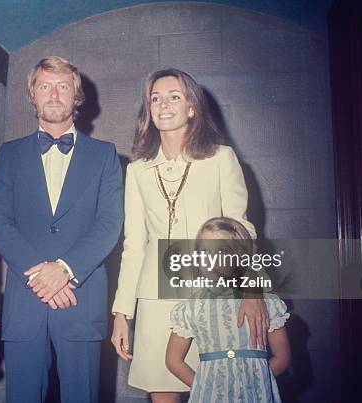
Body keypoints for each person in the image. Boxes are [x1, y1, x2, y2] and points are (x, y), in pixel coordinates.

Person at [111, 68, 268, 403]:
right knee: (162, 387)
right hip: (155, 297)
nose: (163, 105)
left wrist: (252, 287)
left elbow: (242, 230)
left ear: (192, 107)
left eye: (174, 97)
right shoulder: (137, 171)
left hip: (213, 292)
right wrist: (122, 314)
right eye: (155, 98)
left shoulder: (220, 158)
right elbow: (134, 246)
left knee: (219, 388)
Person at [0, 56, 124, 403]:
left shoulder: (105, 155)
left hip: (81, 298)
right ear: (32, 95)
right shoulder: (10, 153)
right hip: (26, 301)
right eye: (44, 86)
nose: (53, 94)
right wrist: (41, 276)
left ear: (77, 97)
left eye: (63, 86)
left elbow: (109, 223)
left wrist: (64, 271)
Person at [165, 217, 291, 402]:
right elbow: (173, 361)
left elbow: (283, 357)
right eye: (205, 251)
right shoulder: (191, 308)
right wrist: (204, 388)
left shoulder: (266, 305)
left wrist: (258, 381)